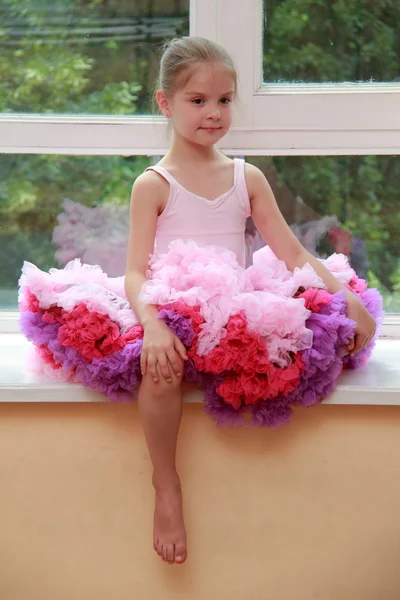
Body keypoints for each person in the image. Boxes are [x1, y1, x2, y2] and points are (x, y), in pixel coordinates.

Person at [123, 36, 376, 566]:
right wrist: (151, 323)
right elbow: (134, 270)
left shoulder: (246, 176)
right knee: (160, 368)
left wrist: (343, 296)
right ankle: (166, 484)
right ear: (165, 103)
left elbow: (289, 251)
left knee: (322, 340)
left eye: (224, 100)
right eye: (197, 101)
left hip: (234, 304)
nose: (213, 113)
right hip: (173, 303)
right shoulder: (152, 184)